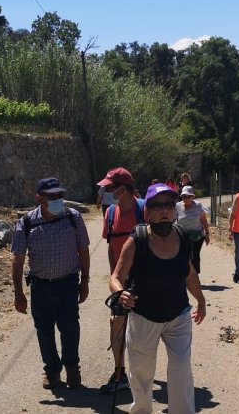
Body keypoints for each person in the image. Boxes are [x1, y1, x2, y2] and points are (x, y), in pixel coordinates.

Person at [110, 183, 207, 414]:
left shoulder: (183, 237)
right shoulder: (138, 240)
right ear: (148, 211)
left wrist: (201, 301)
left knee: (181, 368)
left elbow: (189, 273)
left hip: (178, 315)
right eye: (157, 205)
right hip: (144, 316)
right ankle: (142, 410)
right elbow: (117, 276)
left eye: (168, 205)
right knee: (142, 372)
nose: (164, 210)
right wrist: (119, 292)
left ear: (174, 210)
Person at [11, 177, 90, 390]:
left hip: (68, 284)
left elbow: (83, 250)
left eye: (60, 195)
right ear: (39, 198)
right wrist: (19, 294)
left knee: (70, 327)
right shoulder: (26, 222)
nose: (57, 200)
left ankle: (72, 368)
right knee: (44, 331)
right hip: (40, 287)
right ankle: (52, 371)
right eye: (51, 196)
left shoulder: (73, 217)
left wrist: (85, 281)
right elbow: (17, 260)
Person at [98, 167, 144, 394]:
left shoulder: (143, 210)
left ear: (123, 190)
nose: (105, 191)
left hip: (145, 279)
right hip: (122, 280)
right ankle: (119, 372)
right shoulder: (109, 214)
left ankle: (143, 372)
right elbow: (110, 247)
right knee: (117, 321)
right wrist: (113, 276)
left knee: (145, 328)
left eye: (109, 187)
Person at [175, 185, 210, 273]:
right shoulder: (178, 206)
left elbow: (204, 220)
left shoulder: (198, 205)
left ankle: (195, 275)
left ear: (193, 197)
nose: (186, 198)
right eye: (184, 196)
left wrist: (207, 234)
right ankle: (185, 274)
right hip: (183, 236)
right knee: (184, 255)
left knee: (195, 254)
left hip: (197, 236)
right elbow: (173, 220)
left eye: (189, 196)